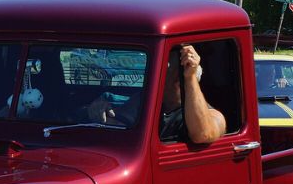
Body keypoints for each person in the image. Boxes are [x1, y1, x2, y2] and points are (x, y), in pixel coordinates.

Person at [85, 45, 227, 144]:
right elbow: (120, 123)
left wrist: (189, 77)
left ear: (178, 80)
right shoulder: (147, 102)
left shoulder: (215, 116)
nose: (154, 75)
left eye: (164, 69)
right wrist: (97, 111)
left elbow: (203, 134)